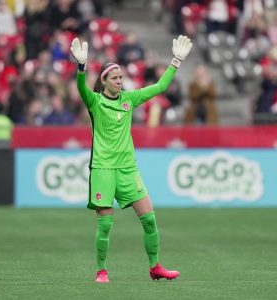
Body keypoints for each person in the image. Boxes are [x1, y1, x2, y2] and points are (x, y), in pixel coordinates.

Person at [70, 35, 193, 283]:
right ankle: (101, 271)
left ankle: (155, 266)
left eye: (121, 77)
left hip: (128, 169)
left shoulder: (129, 100)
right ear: (103, 81)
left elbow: (159, 87)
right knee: (105, 225)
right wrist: (81, 68)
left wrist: (176, 60)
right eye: (114, 78)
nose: (119, 81)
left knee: (149, 219)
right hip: (103, 168)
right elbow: (82, 89)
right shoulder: (95, 102)